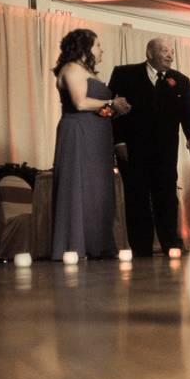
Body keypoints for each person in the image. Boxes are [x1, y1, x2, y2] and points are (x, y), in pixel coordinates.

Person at [109, 37, 190, 255]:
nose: (170, 55)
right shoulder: (124, 74)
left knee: (167, 197)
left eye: (172, 51)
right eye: (164, 51)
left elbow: (189, 111)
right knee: (137, 198)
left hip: (165, 151)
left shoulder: (180, 80)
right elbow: (113, 111)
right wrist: (119, 141)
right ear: (149, 53)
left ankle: (171, 244)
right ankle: (141, 248)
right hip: (132, 149)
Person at [51, 29, 130, 260]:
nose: (101, 50)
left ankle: (97, 243)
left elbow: (97, 108)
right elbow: (79, 102)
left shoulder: (86, 71)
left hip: (97, 135)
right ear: (83, 47)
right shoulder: (72, 69)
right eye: (97, 45)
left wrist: (114, 110)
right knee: (79, 184)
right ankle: (77, 242)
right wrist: (110, 102)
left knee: (97, 188)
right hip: (79, 132)